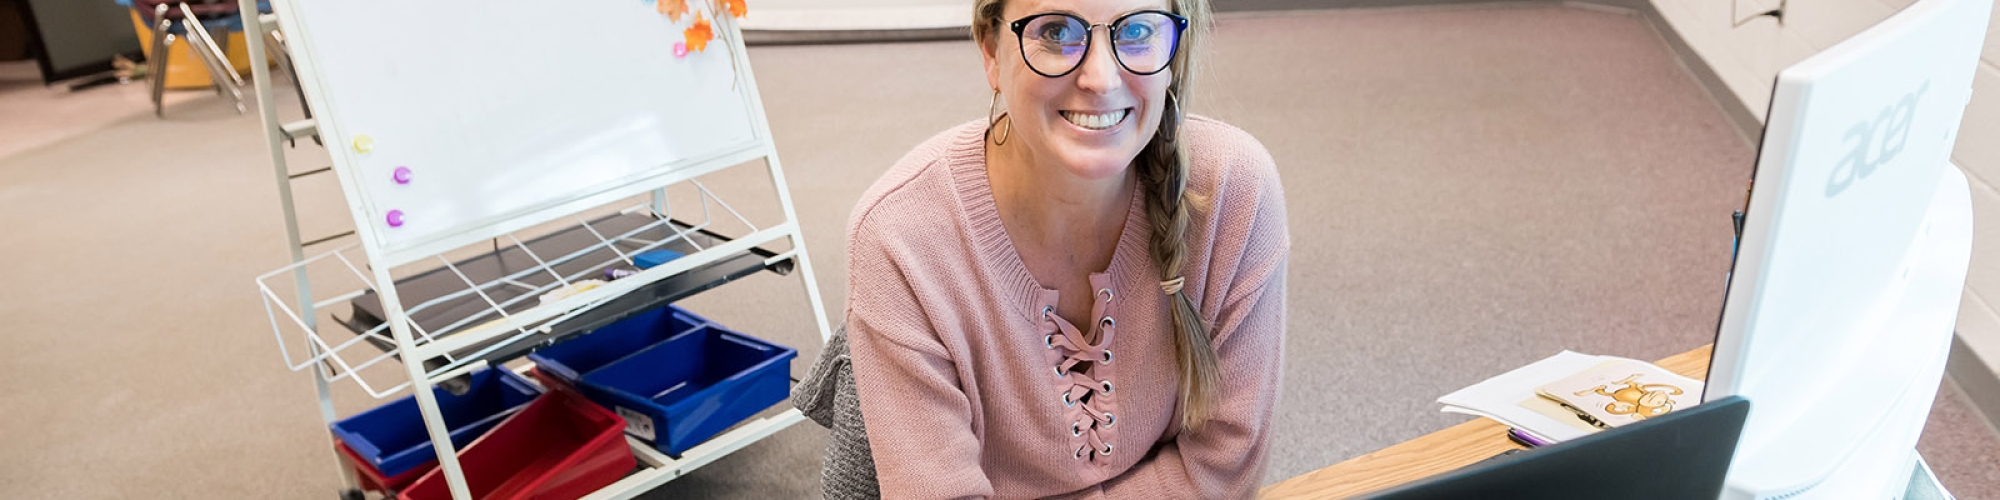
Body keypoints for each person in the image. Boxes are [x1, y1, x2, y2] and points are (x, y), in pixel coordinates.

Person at [841, 0, 1289, 496]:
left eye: (1137, 29)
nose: (1100, 78)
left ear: (1175, 53)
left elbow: (1220, 471)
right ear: (991, 51)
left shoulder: (1232, 191)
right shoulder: (901, 236)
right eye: (1055, 31)